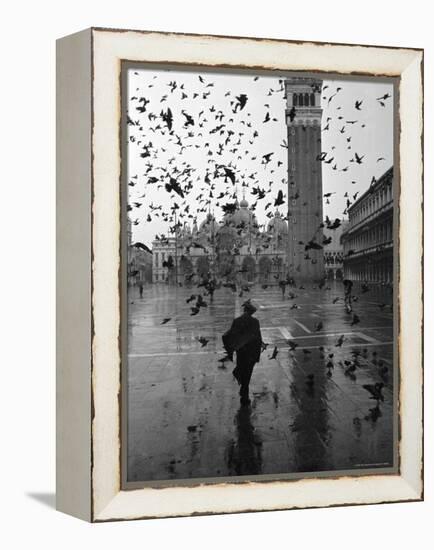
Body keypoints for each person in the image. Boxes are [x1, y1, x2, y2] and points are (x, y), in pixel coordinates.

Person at [222, 300, 263, 405]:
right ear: (252, 312)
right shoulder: (255, 322)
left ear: (245, 309)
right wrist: (259, 349)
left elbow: (230, 335)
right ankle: (244, 395)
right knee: (248, 373)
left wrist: (231, 350)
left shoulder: (237, 321)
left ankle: (244, 390)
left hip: (242, 351)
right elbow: (257, 337)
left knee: (242, 370)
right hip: (252, 352)